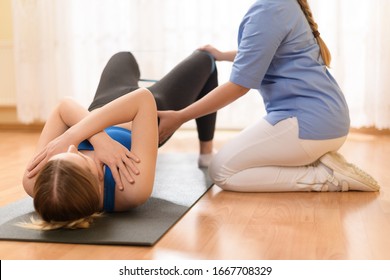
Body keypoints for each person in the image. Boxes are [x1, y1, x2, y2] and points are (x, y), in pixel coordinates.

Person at [158, 0, 381, 192]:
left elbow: (238, 86)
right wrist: (223, 55)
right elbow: (263, 50)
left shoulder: (269, 9)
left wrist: (180, 116)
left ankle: (324, 177)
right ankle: (319, 163)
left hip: (308, 124)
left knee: (222, 170)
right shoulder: (284, 5)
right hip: (329, 120)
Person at [22, 50, 218, 230]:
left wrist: (99, 141)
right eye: (81, 157)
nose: (72, 148)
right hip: (151, 110)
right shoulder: (131, 191)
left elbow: (64, 106)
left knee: (123, 57)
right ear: (99, 177)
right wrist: (82, 135)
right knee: (206, 58)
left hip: (101, 104)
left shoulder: (38, 182)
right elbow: (143, 98)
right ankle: (206, 152)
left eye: (63, 154)